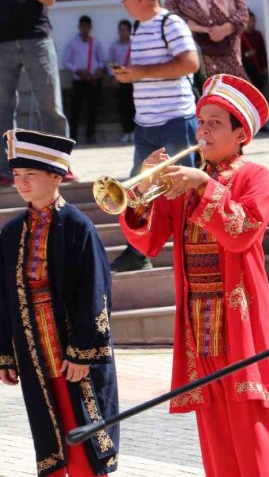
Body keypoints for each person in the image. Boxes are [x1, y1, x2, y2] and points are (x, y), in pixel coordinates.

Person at [118, 75, 269, 476]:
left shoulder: (254, 175)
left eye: (214, 123)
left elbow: (244, 231)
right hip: (198, 319)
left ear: (240, 134)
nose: (203, 131)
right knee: (213, 427)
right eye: (201, 122)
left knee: (251, 419)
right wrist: (144, 189)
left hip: (238, 316)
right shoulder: (186, 181)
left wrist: (206, 186)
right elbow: (150, 240)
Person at [0, 129, 119, 476]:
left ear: (57, 176)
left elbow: (95, 291)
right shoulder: (10, 233)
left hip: (71, 346)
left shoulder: (78, 226)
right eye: (18, 176)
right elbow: (4, 296)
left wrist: (84, 351)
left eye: (30, 175)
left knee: (80, 423)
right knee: (47, 427)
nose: (21, 183)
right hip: (32, 344)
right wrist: (5, 353)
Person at [110, 0, 200, 273]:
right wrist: (131, 75)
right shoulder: (138, 26)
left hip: (175, 119)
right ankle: (138, 250)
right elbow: (150, 69)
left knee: (185, 185)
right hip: (146, 123)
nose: (122, 2)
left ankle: (199, 243)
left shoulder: (170, 23)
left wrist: (140, 72)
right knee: (139, 188)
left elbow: (190, 63)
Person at [0, 0, 70, 186]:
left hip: (37, 40)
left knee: (50, 106)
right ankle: (7, 170)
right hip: (2, 44)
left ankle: (58, 165)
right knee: (2, 108)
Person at [63, 15, 106, 145]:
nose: (85, 29)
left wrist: (99, 68)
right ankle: (73, 137)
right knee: (75, 110)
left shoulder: (95, 42)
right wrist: (77, 70)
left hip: (92, 80)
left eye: (87, 26)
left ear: (90, 27)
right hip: (78, 80)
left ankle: (90, 136)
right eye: (83, 26)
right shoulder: (72, 43)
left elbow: (102, 60)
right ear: (79, 27)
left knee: (92, 110)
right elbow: (66, 61)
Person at [107, 19, 135, 143]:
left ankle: (134, 131)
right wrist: (114, 75)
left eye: (125, 30)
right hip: (120, 80)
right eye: (121, 29)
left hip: (133, 80)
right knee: (123, 107)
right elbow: (110, 62)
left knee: (134, 107)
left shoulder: (134, 45)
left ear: (130, 31)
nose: (122, 32)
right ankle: (126, 131)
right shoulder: (114, 46)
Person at [240, 10, 268, 97]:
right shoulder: (241, 36)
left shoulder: (258, 35)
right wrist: (246, 55)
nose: (252, 23)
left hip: (258, 69)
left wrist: (264, 66)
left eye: (253, 21)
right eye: (250, 21)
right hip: (247, 69)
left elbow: (263, 51)